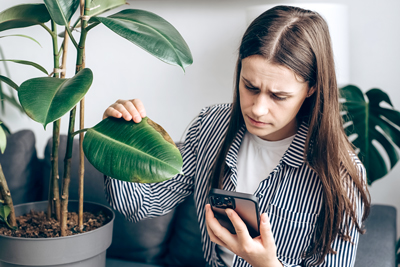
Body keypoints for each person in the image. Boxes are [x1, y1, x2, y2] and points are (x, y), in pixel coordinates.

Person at [103, 5, 370, 267]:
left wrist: (266, 265)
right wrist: (118, 142)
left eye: (279, 96)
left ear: (312, 88)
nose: (258, 108)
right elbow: (138, 205)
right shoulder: (210, 126)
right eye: (250, 87)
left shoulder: (342, 174)